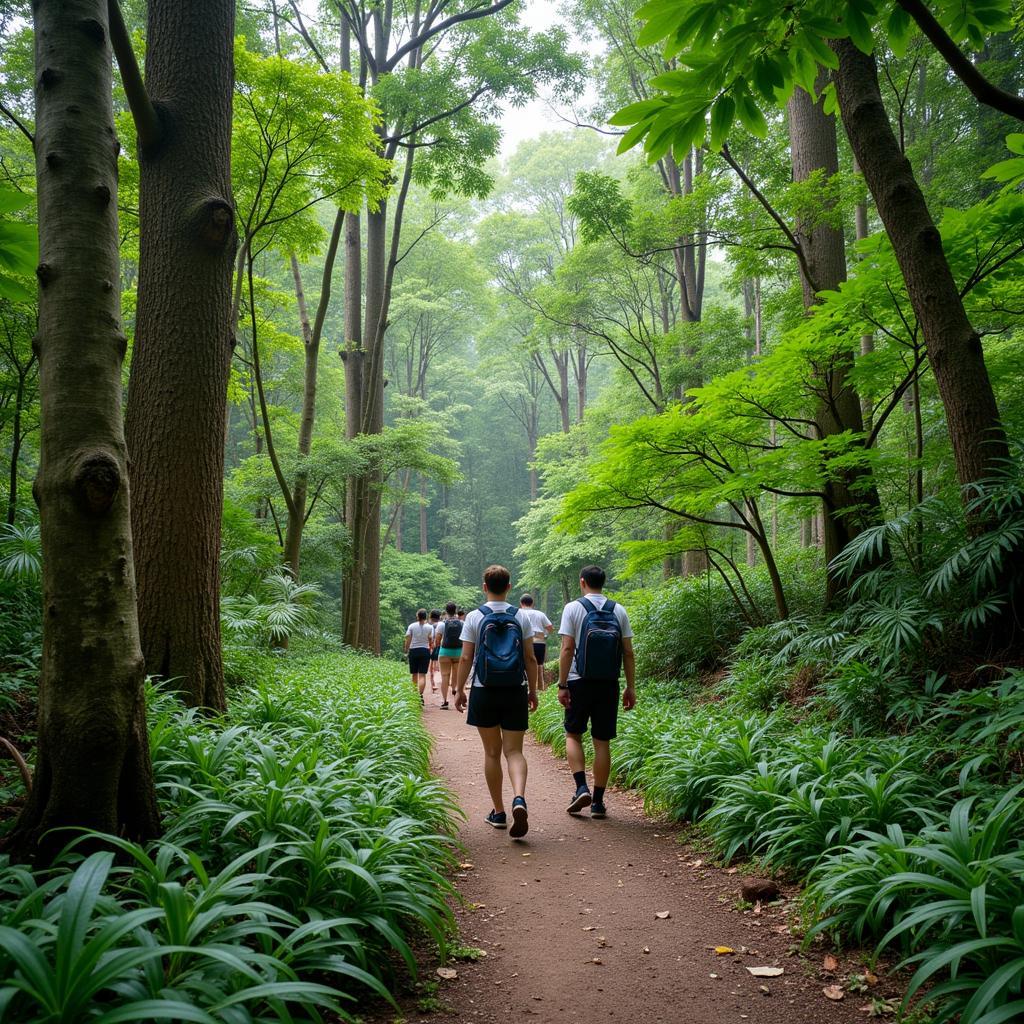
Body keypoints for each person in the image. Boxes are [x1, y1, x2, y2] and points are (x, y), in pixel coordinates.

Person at [455, 565, 539, 839]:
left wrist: (459, 689)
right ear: (509, 587)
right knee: (514, 752)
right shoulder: (521, 617)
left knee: (492, 753)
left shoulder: (475, 617)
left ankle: (499, 812)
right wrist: (533, 690)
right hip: (515, 689)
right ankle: (519, 798)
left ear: (484, 587)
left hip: (485, 689)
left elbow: (466, 657)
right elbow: (530, 658)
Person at [557, 565, 637, 819]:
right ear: (603, 583)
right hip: (608, 683)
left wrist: (562, 684)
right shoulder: (619, 610)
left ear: (582, 582)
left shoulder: (573, 608)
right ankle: (599, 803)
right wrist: (630, 686)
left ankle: (581, 787)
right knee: (602, 742)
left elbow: (567, 649)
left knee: (573, 734)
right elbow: (628, 652)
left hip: (578, 681)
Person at [519, 593, 555, 690]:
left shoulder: (518, 613)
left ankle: (525, 689)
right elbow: (551, 628)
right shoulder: (540, 614)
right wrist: (545, 635)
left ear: (521, 603)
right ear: (532, 603)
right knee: (539, 666)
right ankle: (540, 690)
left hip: (524, 643)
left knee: (524, 665)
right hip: (539, 643)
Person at [436, 601, 464, 710]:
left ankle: (444, 701)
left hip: (445, 652)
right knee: (456, 674)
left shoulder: (442, 624)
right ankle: (454, 690)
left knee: (445, 676)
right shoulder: (462, 623)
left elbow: (438, 640)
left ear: (446, 611)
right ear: (455, 610)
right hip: (458, 652)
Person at [404, 608, 433, 705]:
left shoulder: (412, 626)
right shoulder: (430, 627)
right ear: (426, 617)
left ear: (417, 616)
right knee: (422, 675)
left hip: (414, 650)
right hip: (425, 651)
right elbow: (430, 640)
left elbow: (408, 638)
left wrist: (406, 649)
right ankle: (420, 696)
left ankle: (414, 695)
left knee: (414, 674)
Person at [428, 609, 442, 693]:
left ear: (430, 617)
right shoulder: (442, 624)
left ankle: (433, 684)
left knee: (432, 667)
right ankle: (438, 682)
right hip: (442, 647)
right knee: (438, 666)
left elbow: (430, 638)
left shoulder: (430, 626)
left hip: (433, 647)